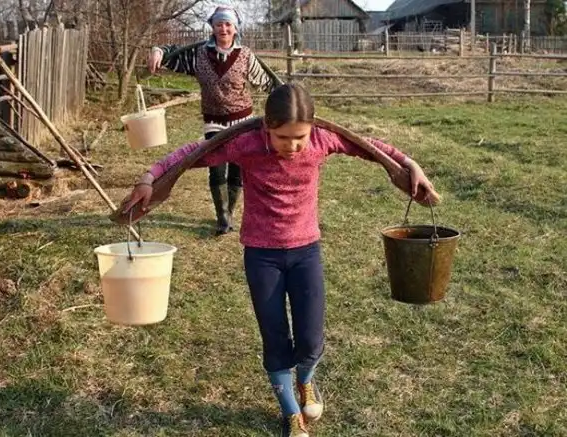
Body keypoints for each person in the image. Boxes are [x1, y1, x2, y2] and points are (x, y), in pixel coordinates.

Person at [123, 83, 439, 437]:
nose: (292, 145)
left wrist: (409, 164)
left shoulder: (322, 140)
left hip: (306, 253)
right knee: (274, 337)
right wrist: (150, 178)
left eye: (299, 137)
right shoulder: (246, 143)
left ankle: (305, 380)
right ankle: (290, 412)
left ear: (313, 128)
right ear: (266, 127)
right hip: (262, 257)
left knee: (310, 339)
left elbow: (369, 146)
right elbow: (194, 153)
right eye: (282, 137)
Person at [145, 6, 275, 235]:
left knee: (237, 170)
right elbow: (171, 55)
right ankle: (222, 218)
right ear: (212, 27)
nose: (223, 29)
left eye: (228, 24)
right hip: (214, 121)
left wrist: (286, 99)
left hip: (242, 121)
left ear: (235, 28)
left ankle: (229, 212)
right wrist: (158, 51)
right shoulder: (199, 54)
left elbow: (267, 82)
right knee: (216, 168)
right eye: (219, 24)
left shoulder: (246, 56)